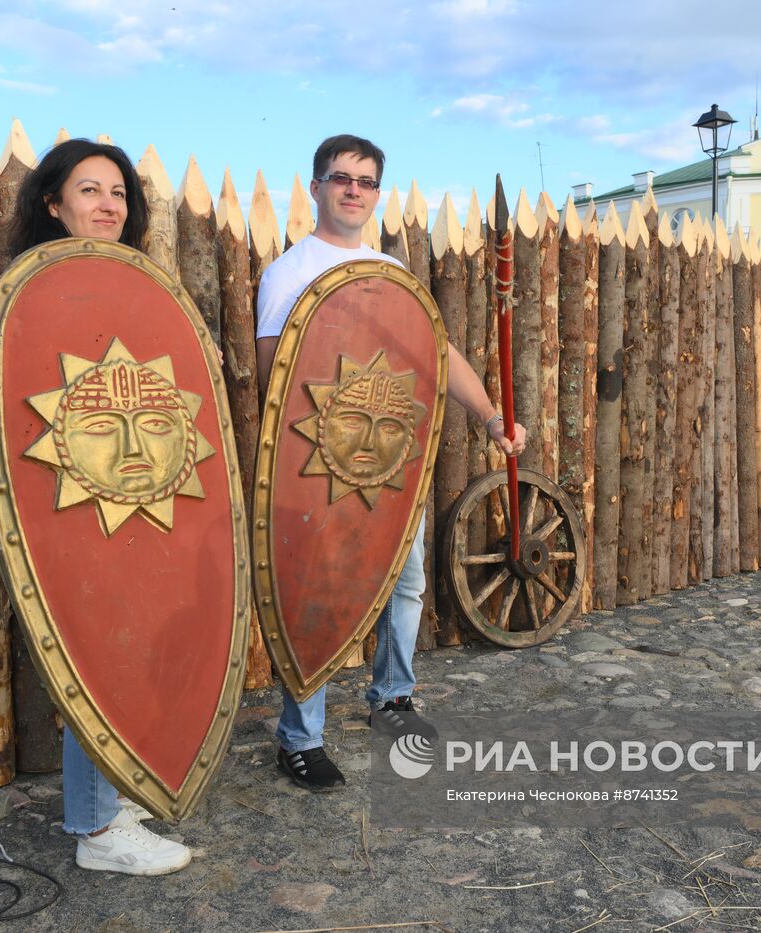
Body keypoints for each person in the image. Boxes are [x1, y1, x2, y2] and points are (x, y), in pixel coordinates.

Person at [255, 134, 527, 792]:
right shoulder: (288, 272)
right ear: (316, 186)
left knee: (403, 584)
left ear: (377, 192)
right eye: (341, 177)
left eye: (366, 180)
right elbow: (275, 373)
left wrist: (489, 415)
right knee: (313, 593)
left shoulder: (393, 275)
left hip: (388, 463)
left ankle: (393, 697)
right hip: (318, 461)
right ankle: (301, 737)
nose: (353, 189)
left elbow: (439, 354)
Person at [5, 138, 190, 876]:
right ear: (54, 203)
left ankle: (116, 794)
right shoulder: (28, 291)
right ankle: (95, 829)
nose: (108, 203)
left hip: (142, 497)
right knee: (91, 650)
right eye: (90, 190)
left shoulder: (139, 286)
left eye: (117, 192)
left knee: (133, 647)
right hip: (70, 504)